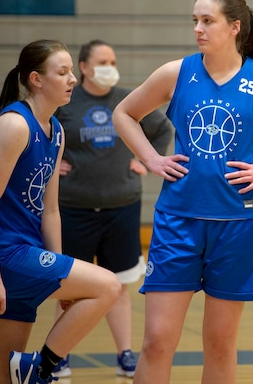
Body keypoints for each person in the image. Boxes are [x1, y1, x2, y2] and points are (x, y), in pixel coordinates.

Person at [112, 0, 253, 384]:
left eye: (207, 21)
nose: (198, 29)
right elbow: (125, 113)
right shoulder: (175, 72)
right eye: (194, 21)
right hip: (177, 221)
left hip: (239, 224)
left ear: (235, 27)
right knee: (157, 341)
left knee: (219, 343)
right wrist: (151, 158)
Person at [0, 39, 121, 384]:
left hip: (28, 253)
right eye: (63, 71)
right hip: (6, 256)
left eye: (72, 70)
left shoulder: (56, 130)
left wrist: (61, 276)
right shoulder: (15, 126)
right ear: (36, 79)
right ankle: (42, 368)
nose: (72, 78)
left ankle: (28, 370)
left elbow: (51, 209)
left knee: (2, 372)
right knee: (109, 286)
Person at [51, 39, 173, 378]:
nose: (110, 66)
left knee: (119, 285)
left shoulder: (128, 100)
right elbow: (37, 132)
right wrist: (51, 163)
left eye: (113, 60)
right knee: (69, 286)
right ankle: (57, 357)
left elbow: (162, 128)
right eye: (102, 61)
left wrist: (146, 161)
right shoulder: (66, 103)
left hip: (121, 207)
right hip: (74, 208)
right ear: (85, 68)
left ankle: (125, 355)